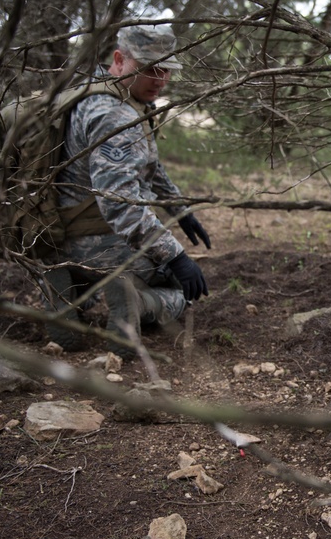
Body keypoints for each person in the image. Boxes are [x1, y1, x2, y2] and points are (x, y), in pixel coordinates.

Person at [44, 23, 210, 357]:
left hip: (57, 233)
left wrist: (180, 210)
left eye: (167, 70)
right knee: (181, 289)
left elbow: (147, 165)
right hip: (100, 241)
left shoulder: (96, 93)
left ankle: (70, 288)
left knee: (160, 269)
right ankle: (132, 300)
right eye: (150, 69)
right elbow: (119, 204)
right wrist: (175, 256)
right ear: (119, 59)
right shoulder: (115, 115)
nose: (160, 80)